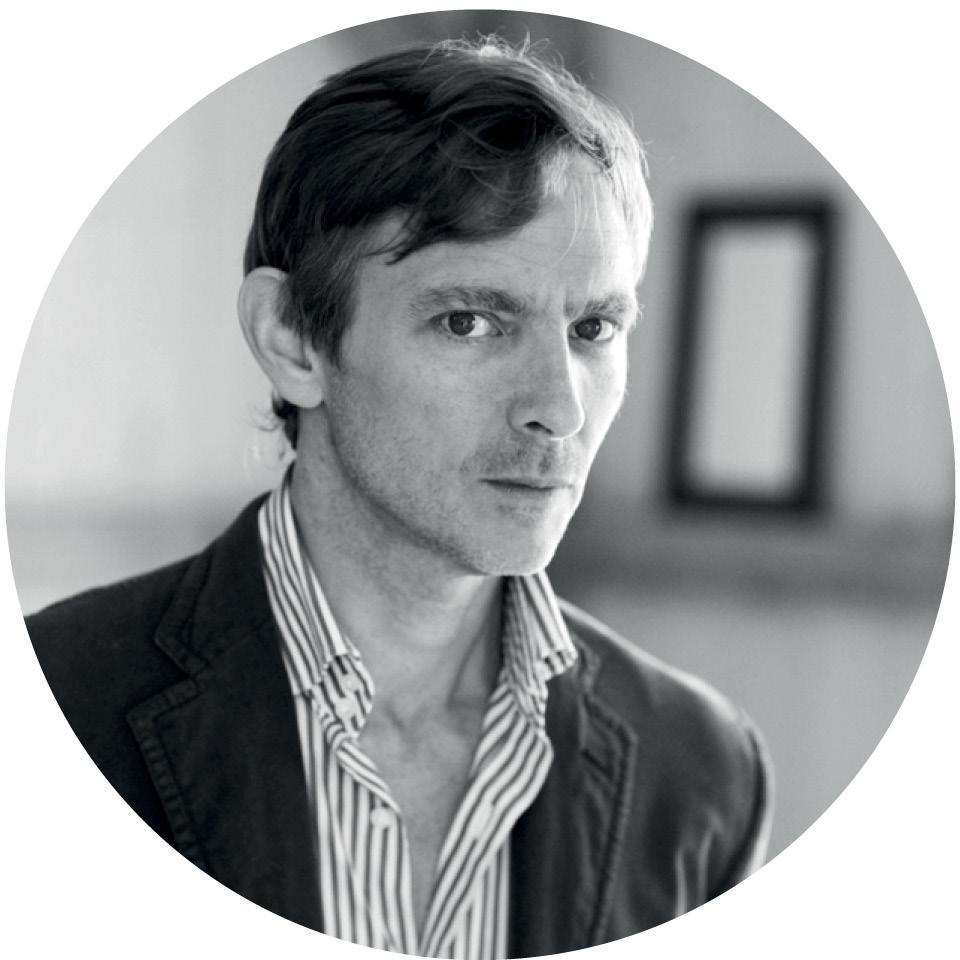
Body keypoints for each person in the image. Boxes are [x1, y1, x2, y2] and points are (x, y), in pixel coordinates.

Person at [27, 37, 773, 958]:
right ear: (293, 339)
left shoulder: (702, 774)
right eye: (470, 321)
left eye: (593, 327)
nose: (559, 407)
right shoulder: (54, 711)